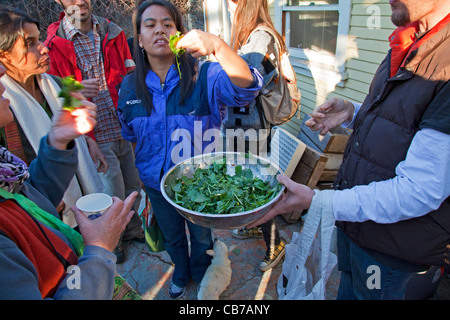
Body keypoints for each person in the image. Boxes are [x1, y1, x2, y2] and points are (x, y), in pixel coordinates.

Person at [249, 0, 450, 299]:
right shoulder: (408, 41)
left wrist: (321, 201)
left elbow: (420, 191)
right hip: (358, 227)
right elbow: (403, 121)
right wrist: (352, 111)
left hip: (391, 250)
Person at [117, 0, 262, 298]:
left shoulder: (205, 75)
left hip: (199, 180)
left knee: (200, 235)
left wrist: (218, 46)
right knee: (171, 236)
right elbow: (131, 135)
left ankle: (201, 272)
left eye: (168, 24)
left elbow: (246, 86)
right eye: (150, 24)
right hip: (155, 184)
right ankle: (181, 275)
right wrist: (145, 174)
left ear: (180, 35)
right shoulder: (129, 87)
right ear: (140, 39)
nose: (160, 29)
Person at [0, 63, 139, 299]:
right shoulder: (56, 70)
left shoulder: (6, 171)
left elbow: (29, 204)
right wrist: (98, 250)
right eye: (30, 43)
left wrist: (58, 143)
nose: (1, 70)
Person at [45, 0, 144, 263]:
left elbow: (129, 74)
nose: (79, 1)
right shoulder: (55, 43)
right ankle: (115, 241)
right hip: (96, 135)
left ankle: (133, 229)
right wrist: (87, 139)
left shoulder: (113, 32)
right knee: (112, 191)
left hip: (123, 126)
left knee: (133, 185)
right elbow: (62, 98)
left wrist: (136, 120)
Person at [0, 6, 104, 228]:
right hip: (47, 209)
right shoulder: (4, 109)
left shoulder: (56, 83)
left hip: (82, 189)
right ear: (4, 55)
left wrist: (90, 142)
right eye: (30, 44)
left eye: (40, 40)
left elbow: (79, 122)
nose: (44, 49)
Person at [224, 0, 286, 272]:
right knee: (245, 180)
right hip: (243, 127)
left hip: (252, 130)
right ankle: (254, 228)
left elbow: (245, 81)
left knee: (257, 186)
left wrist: (218, 55)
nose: (228, 7)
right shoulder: (252, 36)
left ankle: (276, 244)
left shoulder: (260, 37)